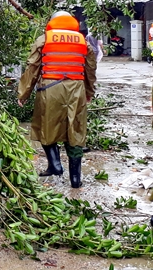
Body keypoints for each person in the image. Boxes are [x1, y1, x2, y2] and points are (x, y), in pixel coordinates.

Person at [17, 11, 97, 188]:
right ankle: (75, 180)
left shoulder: (44, 39)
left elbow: (32, 68)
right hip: (76, 89)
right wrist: (89, 91)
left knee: (46, 126)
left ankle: (55, 165)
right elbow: (90, 69)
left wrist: (24, 93)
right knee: (75, 131)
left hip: (50, 88)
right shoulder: (83, 41)